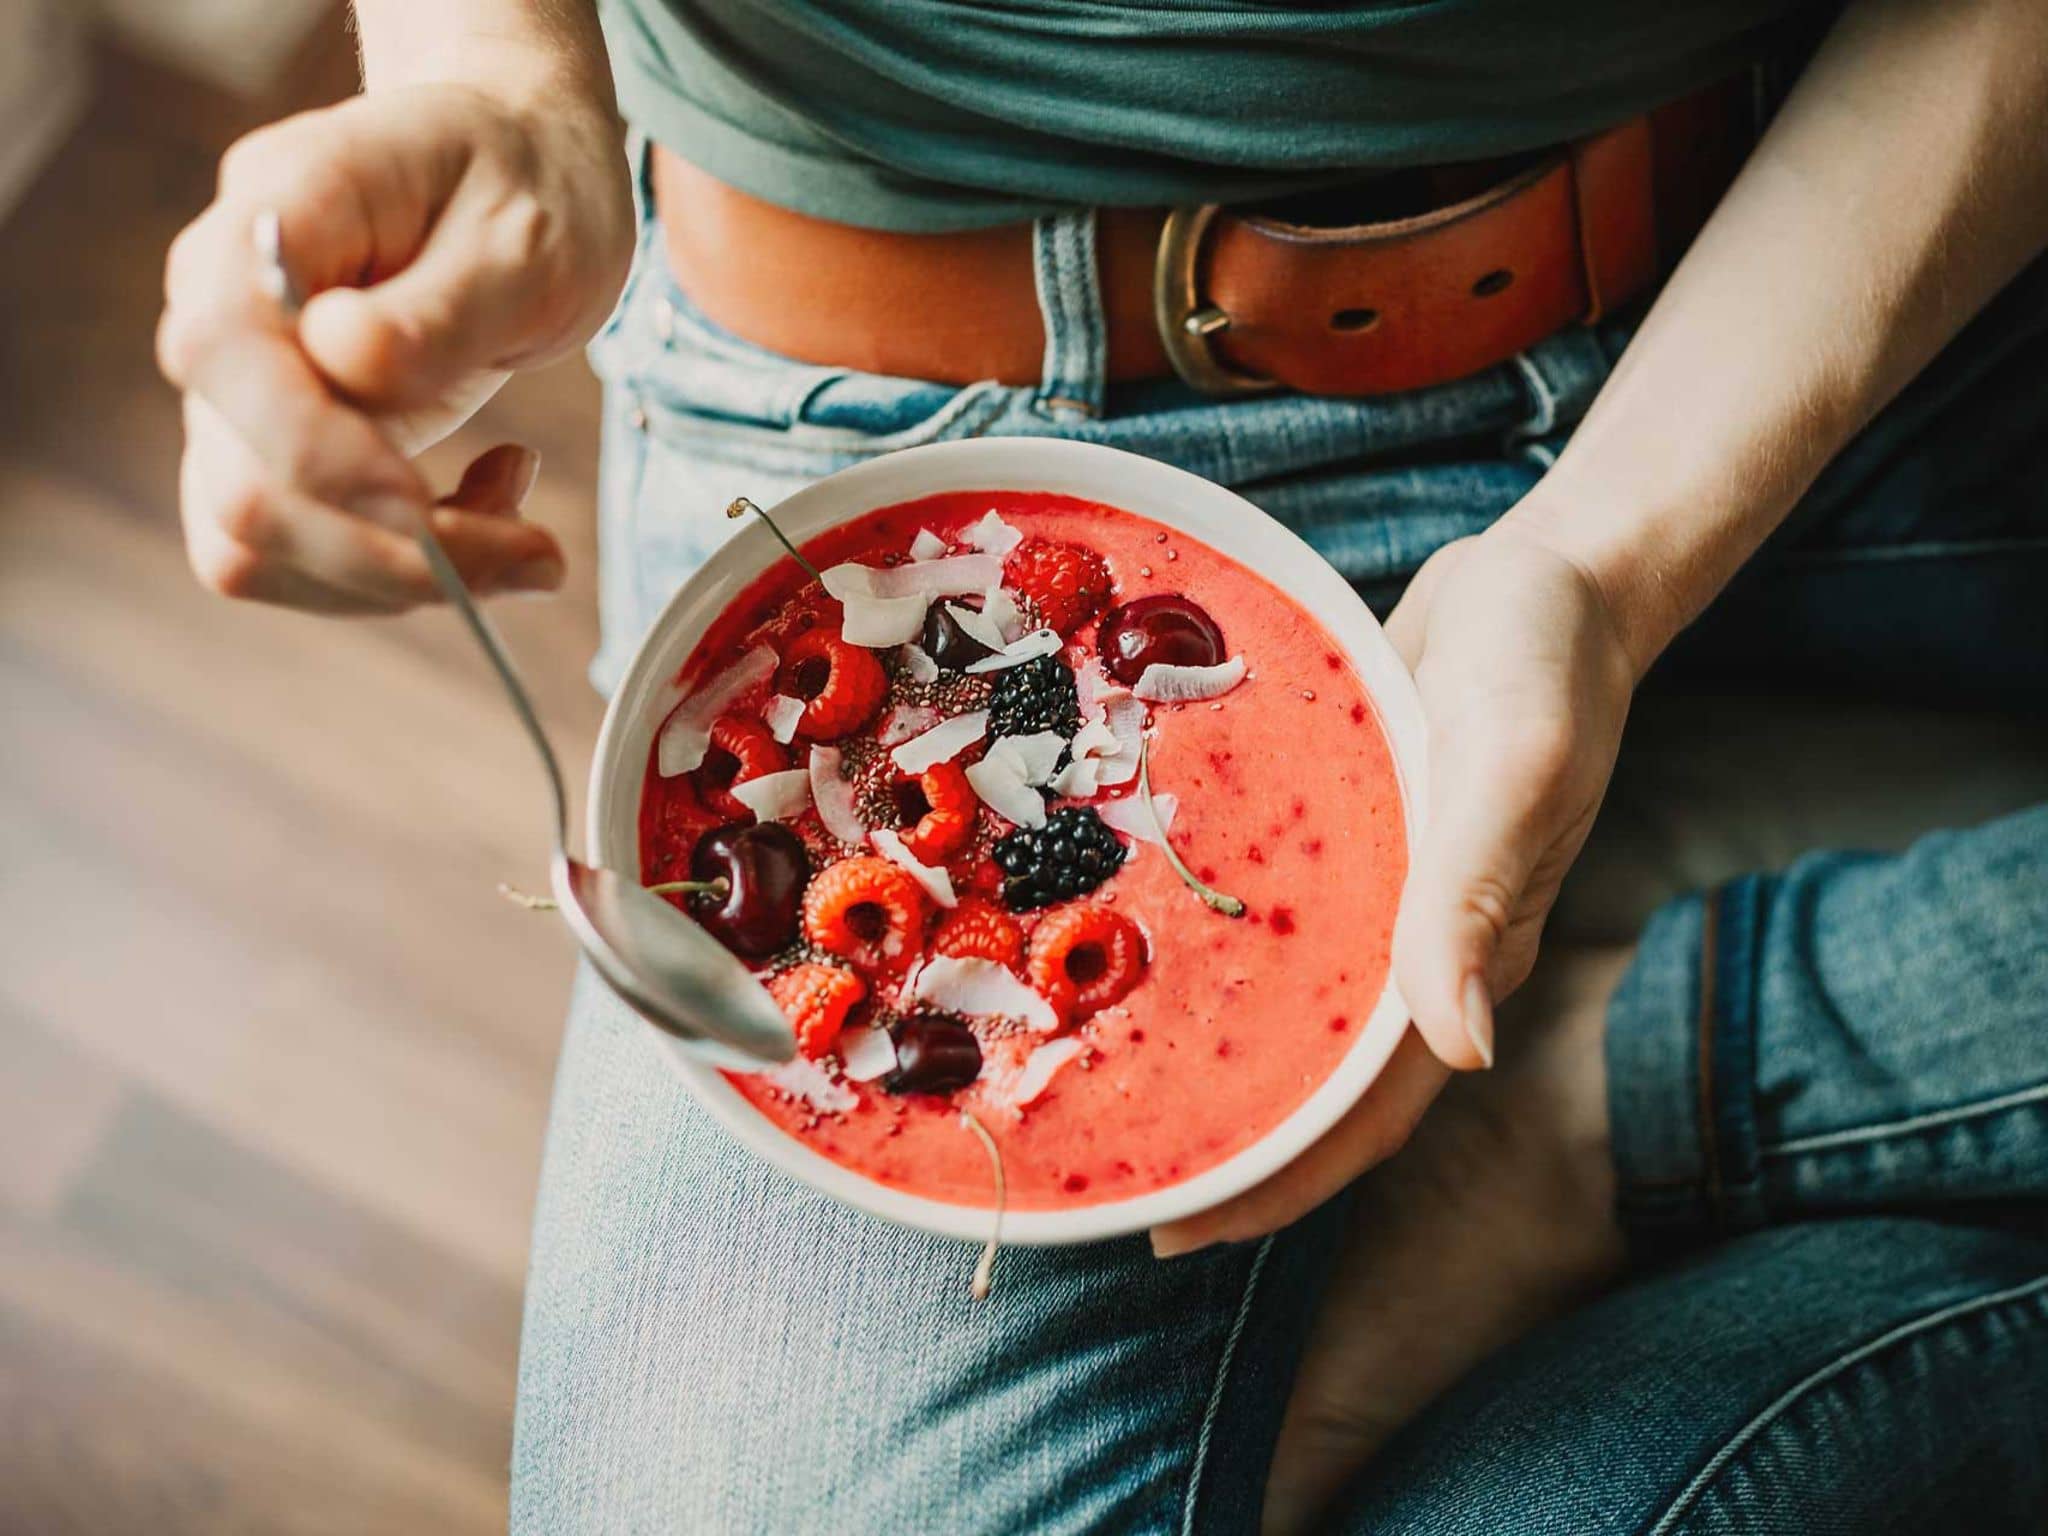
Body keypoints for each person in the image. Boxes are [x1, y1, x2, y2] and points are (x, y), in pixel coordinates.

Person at [156, 0, 2048, 1528]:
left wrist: (1603, 566)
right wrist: (501, 84)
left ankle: (1631, 1100)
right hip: (909, 409)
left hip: (1869, 270)